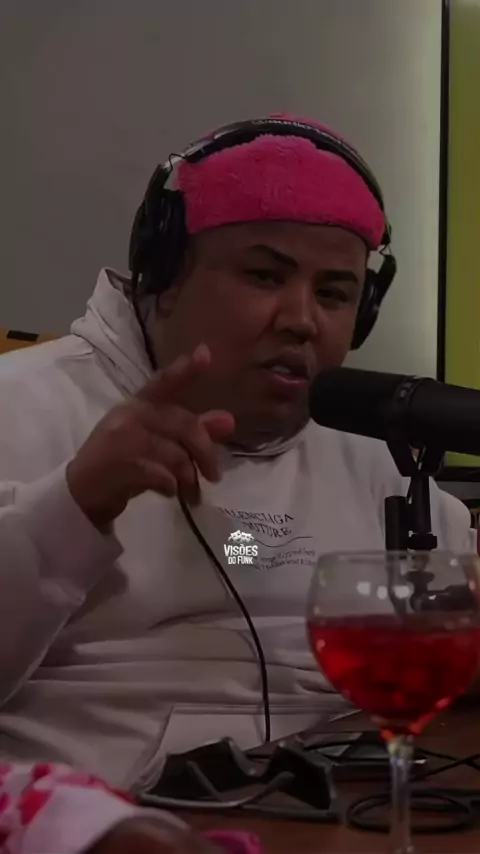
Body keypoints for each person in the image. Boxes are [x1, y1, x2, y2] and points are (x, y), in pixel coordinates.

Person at [0, 115, 473, 790]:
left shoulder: (379, 455)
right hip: (97, 820)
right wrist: (74, 504)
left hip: (338, 814)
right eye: (263, 275)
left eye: (333, 293)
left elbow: (443, 665)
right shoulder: (18, 407)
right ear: (164, 276)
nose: (300, 319)